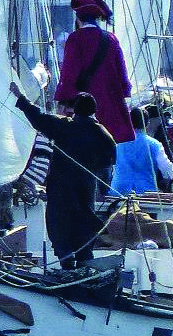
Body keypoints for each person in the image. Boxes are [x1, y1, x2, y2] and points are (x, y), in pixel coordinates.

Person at [13, 85, 117, 270]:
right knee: (83, 228)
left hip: (60, 191)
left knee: (60, 228)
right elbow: (108, 162)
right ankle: (86, 265)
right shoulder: (103, 134)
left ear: (75, 111)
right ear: (94, 111)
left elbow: (37, 117)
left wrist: (20, 98)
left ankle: (67, 266)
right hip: (85, 191)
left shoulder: (63, 126)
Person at [54, 0, 134, 145]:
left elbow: (69, 74)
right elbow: (122, 75)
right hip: (110, 105)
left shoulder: (75, 39)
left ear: (78, 19)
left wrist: (62, 101)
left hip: (84, 106)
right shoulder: (111, 39)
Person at [110, 108, 173, 196]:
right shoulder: (155, 145)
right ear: (147, 124)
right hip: (146, 193)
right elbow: (168, 170)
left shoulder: (117, 142)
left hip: (118, 192)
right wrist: (166, 180)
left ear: (128, 123)